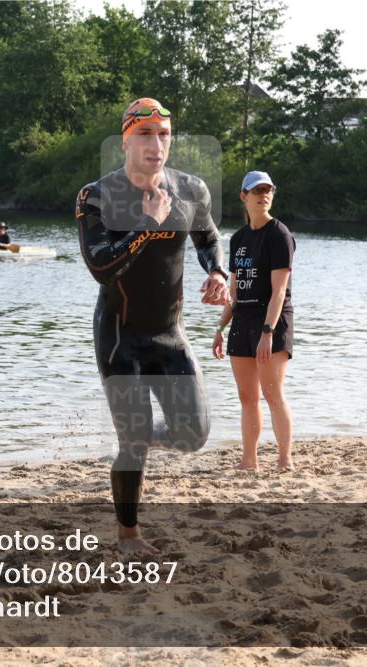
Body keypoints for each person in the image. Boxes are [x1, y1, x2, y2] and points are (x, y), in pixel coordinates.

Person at [77, 97, 230, 554]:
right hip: (120, 336)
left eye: (163, 135)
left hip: (169, 333)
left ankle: (134, 443)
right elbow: (102, 268)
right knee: (134, 440)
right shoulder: (97, 196)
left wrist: (217, 272)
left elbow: (207, 236)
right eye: (145, 134)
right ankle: (128, 536)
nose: (156, 144)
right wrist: (147, 223)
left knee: (194, 434)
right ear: (126, 139)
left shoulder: (191, 189)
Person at [212, 171, 295, 471]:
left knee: (273, 394)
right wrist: (220, 328)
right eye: (256, 190)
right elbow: (234, 292)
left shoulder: (279, 235)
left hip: (270, 321)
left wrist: (268, 332)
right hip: (242, 321)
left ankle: (285, 460)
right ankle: (249, 461)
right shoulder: (238, 240)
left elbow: (280, 290)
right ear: (243, 196)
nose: (263, 195)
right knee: (248, 397)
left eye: (268, 190)